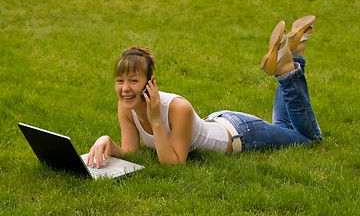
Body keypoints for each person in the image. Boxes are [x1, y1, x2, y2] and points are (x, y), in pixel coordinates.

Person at [86, 15, 322, 167]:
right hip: (222, 121)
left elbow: (173, 164)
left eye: (133, 81)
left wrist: (156, 121)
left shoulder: (177, 108)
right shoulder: (127, 105)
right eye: (120, 81)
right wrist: (107, 141)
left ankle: (288, 65)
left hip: (243, 135)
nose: (125, 89)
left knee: (309, 139)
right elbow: (131, 151)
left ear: (151, 82)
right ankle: (292, 52)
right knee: (285, 129)